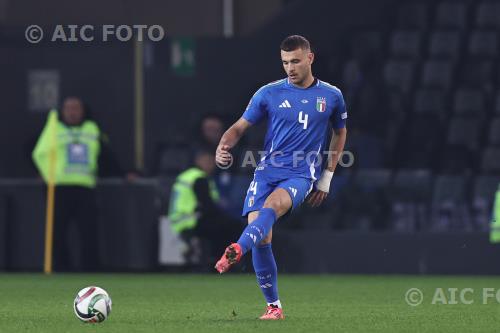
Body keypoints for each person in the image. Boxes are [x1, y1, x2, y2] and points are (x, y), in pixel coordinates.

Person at [214, 35, 348, 319]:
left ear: (310, 58)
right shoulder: (268, 93)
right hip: (266, 172)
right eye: (286, 62)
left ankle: (237, 248)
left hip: (301, 173)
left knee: (271, 208)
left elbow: (340, 132)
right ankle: (273, 307)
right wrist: (223, 145)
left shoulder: (332, 95)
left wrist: (326, 178)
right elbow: (238, 127)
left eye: (296, 61)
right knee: (261, 236)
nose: (290, 67)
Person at [32, 96, 113, 271]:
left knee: (89, 230)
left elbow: (106, 155)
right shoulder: (55, 128)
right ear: (63, 111)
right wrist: (49, 176)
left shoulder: (92, 129)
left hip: (85, 187)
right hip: (59, 187)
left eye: (76, 108)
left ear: (83, 110)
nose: (72, 112)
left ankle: (91, 268)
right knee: (57, 231)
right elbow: (39, 153)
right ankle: (61, 267)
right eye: (69, 108)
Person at [168, 148, 241, 266]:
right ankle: (227, 262)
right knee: (234, 226)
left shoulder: (186, 176)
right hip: (191, 221)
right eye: (208, 161)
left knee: (222, 224)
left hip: (178, 221)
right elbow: (207, 205)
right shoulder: (199, 178)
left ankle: (215, 259)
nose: (211, 165)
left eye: (212, 162)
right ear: (199, 160)